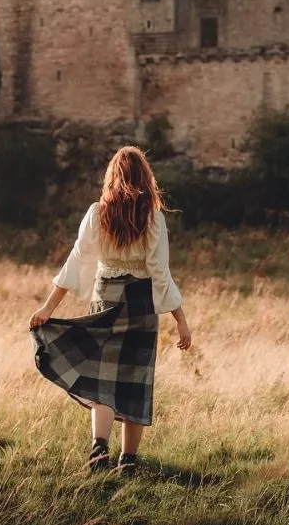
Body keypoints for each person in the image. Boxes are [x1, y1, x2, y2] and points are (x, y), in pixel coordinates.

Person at [29, 146, 192, 477]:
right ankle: (128, 463)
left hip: (106, 299)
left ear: (112, 178)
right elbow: (159, 272)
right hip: (141, 304)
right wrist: (181, 321)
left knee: (102, 380)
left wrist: (49, 307)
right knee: (135, 381)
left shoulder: (97, 213)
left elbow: (78, 261)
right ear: (146, 179)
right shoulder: (153, 218)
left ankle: (99, 447)